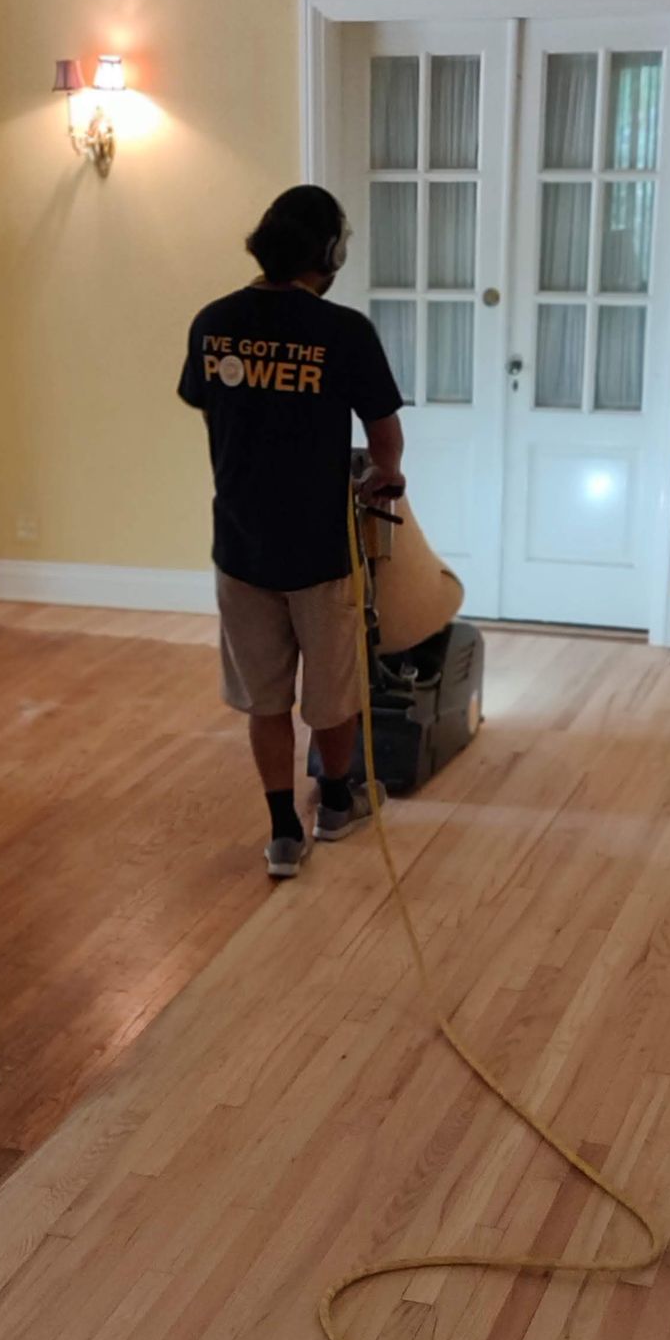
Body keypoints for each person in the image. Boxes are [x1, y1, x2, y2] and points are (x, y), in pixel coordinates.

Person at [179, 184, 406, 879]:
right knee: (333, 694)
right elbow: (385, 436)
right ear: (330, 254)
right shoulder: (344, 332)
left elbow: (209, 408)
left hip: (240, 546)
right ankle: (336, 804)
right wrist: (384, 475)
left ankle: (283, 833)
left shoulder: (213, 322)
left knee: (265, 698)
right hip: (321, 550)